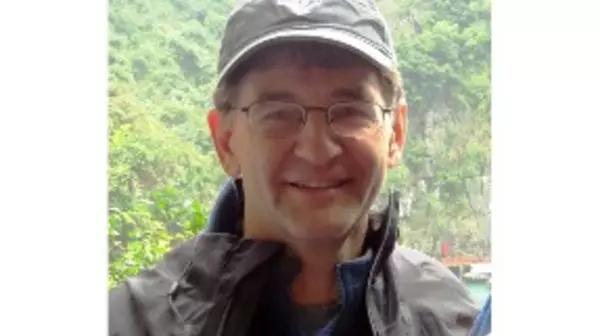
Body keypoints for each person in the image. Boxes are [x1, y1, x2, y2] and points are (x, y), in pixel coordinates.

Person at [109, 0, 479, 335]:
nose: (317, 150)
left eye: (351, 111)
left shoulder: (453, 322)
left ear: (395, 133)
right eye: (278, 114)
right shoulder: (130, 323)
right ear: (225, 141)